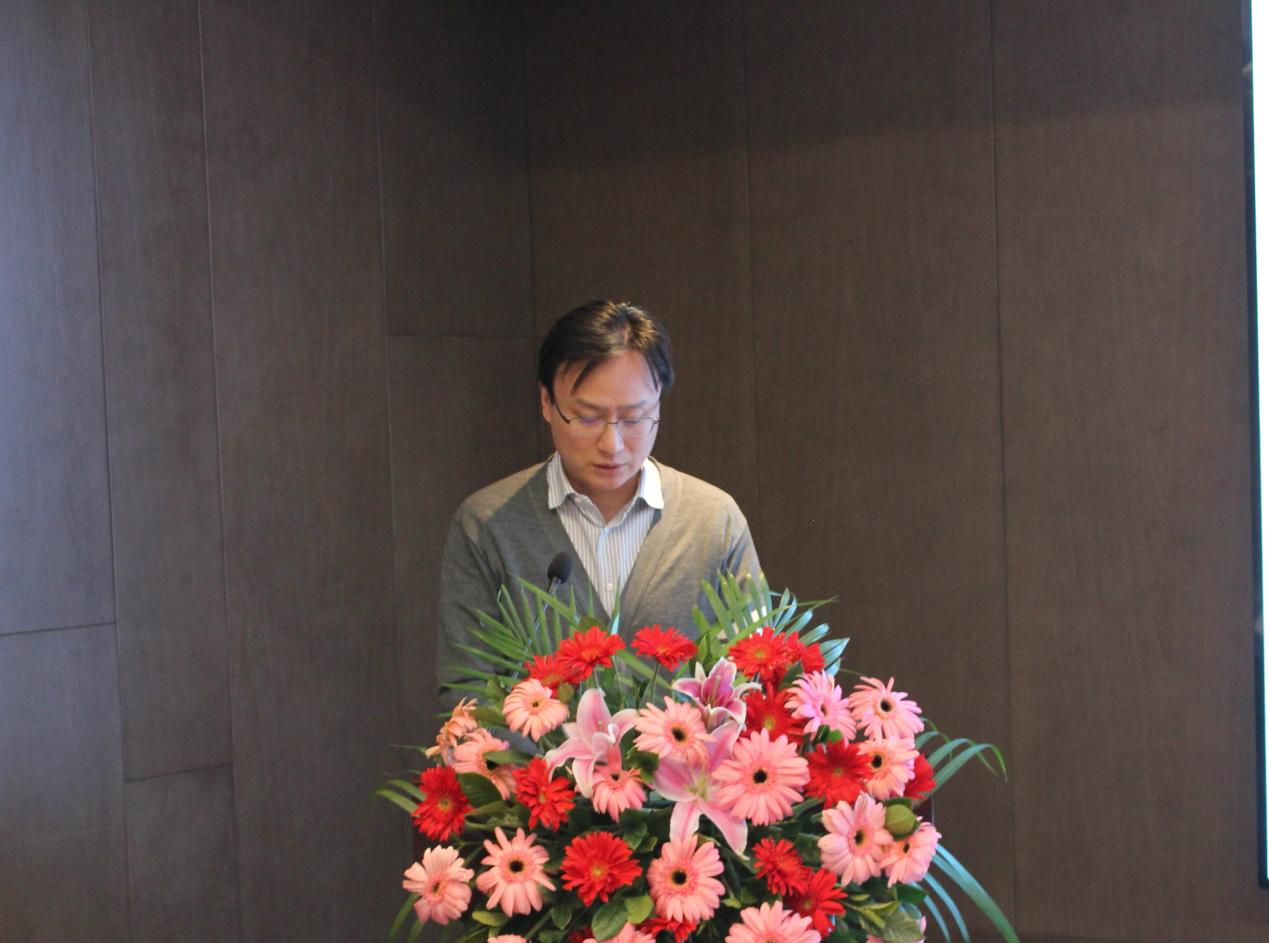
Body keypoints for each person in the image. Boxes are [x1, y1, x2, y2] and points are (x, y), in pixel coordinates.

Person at [436, 300, 760, 698]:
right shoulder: (488, 525)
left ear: (658, 401)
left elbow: (756, 680)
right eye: (588, 417)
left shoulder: (714, 521)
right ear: (546, 402)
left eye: (634, 418)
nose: (612, 444)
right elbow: (467, 694)